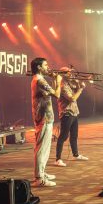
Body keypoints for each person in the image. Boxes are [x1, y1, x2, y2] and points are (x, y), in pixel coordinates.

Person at [30, 57, 61, 187]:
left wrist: (55, 80)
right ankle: (39, 178)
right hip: (43, 118)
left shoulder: (39, 79)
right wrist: (59, 81)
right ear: (39, 67)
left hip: (46, 117)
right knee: (42, 148)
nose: (48, 67)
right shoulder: (40, 80)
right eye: (45, 65)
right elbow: (57, 94)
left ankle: (42, 172)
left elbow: (52, 93)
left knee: (45, 148)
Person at [55, 67, 88, 167]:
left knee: (74, 136)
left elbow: (76, 88)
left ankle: (76, 154)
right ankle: (58, 159)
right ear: (63, 74)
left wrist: (80, 82)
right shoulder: (63, 85)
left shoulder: (70, 83)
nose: (71, 74)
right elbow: (72, 98)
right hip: (67, 113)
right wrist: (81, 89)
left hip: (74, 112)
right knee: (63, 137)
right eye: (69, 73)